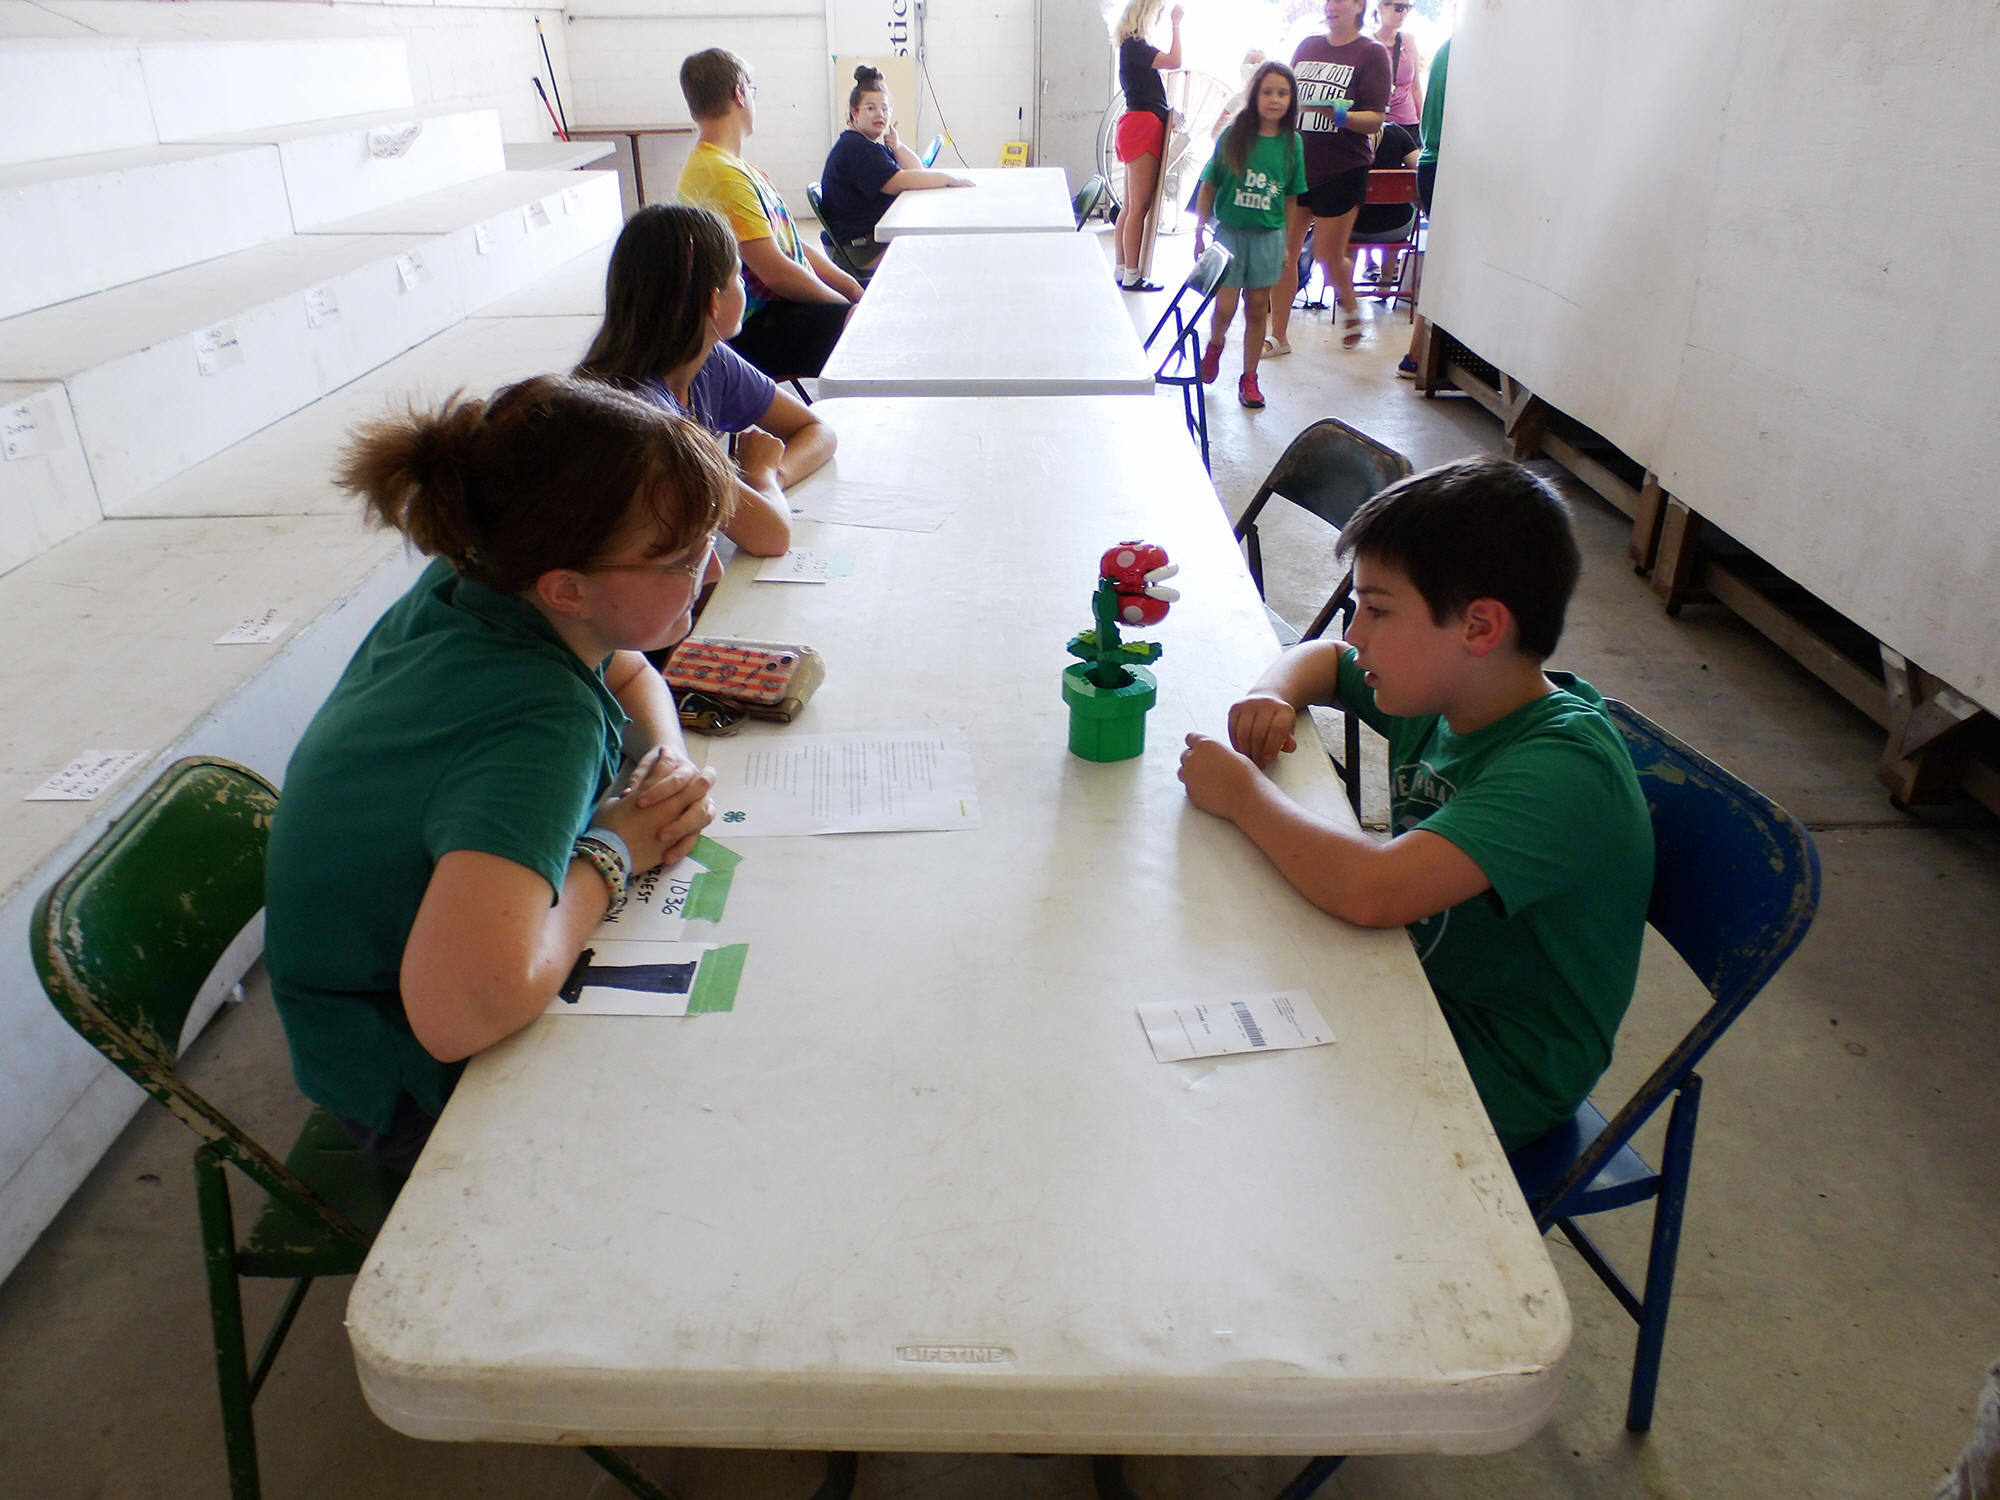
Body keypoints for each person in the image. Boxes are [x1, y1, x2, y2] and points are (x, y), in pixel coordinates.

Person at [265, 376, 734, 1172]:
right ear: (568, 588)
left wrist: (665, 759)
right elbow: (461, 1013)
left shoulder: (480, 581)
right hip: (408, 1083)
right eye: (682, 559)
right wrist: (615, 850)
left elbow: (622, 670)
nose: (711, 569)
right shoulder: (542, 720)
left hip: (355, 1004)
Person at [1177, 458, 1653, 1152]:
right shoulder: (1454, 687)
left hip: (1495, 1069)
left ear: (1479, 628)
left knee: (1230, 1106)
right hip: (1406, 980)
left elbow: (1371, 891)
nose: (1358, 633)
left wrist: (1243, 795)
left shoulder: (1564, 771)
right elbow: (1325, 658)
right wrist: (1271, 694)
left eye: (1378, 609)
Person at [577, 202, 839, 559]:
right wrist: (760, 476)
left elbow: (817, 431)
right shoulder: (644, 416)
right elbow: (771, 536)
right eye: (739, 276)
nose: (744, 285)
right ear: (714, 302)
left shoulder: (707, 358)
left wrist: (773, 477)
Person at [676, 47, 861, 380]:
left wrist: (851, 287)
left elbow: (793, 248)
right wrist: (846, 307)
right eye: (752, 90)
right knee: (871, 331)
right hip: (752, 329)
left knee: (882, 294)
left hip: (780, 310)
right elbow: (777, 273)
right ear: (739, 94)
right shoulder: (720, 175)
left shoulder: (734, 167)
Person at [1267, 0, 1390, 354]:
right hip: (1297, 166)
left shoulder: (1372, 53)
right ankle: (1279, 336)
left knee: (1326, 255)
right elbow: (1286, 98)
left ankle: (1349, 306)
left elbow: (1375, 119)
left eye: (1339, 0)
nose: (1330, 6)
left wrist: (1335, 113)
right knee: (1284, 254)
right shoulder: (1308, 46)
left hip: (1342, 168)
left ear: (1359, 5)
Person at [1193, 61, 1306, 410]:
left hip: (1268, 238)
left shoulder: (1292, 143)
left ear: (1291, 100)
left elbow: (1291, 196)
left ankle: (1250, 378)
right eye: (1267, 92)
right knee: (1225, 307)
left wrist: (1287, 244)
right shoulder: (1233, 136)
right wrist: (1200, 230)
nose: (1274, 99)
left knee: (1257, 309)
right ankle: (1216, 343)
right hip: (1230, 235)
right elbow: (1209, 185)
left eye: (1283, 93)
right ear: (1254, 95)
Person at [818, 64, 972, 271]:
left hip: (867, 241)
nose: (879, 114)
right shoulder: (855, 148)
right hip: (860, 248)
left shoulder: (868, 145)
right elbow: (899, 182)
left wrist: (897, 146)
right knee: (938, 255)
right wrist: (948, 179)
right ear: (854, 113)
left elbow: (917, 171)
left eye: (885, 109)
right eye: (870, 108)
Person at [1109, 0, 1184, 292]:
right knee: (1139, 208)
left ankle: (1122, 268)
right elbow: (1175, 60)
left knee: (1130, 207)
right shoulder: (1137, 47)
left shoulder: (1129, 48)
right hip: (1143, 125)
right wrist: (1176, 24)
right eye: (1158, 12)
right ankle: (1132, 272)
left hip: (1133, 123)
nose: (1161, 16)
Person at [1399, 35, 1449, 380]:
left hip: (1433, 162)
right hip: (1445, 163)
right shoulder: (1473, 49)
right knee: (1446, 265)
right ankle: (1417, 354)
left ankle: (1418, 355)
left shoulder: (1450, 46)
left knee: (1443, 262)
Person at [1370, 0, 1426, 131]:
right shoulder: (1368, 46)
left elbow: (1415, 87)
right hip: (1379, 123)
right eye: (1399, 7)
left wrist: (1423, 124)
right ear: (1381, 7)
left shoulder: (1409, 42)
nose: (1404, 13)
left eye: (1407, 8)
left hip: (1409, 123)